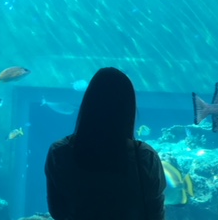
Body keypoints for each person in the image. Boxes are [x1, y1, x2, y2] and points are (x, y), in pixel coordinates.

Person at [44, 67, 166, 220]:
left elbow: (57, 211)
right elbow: (155, 214)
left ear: (87, 104)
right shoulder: (145, 157)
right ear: (128, 108)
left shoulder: (60, 152)